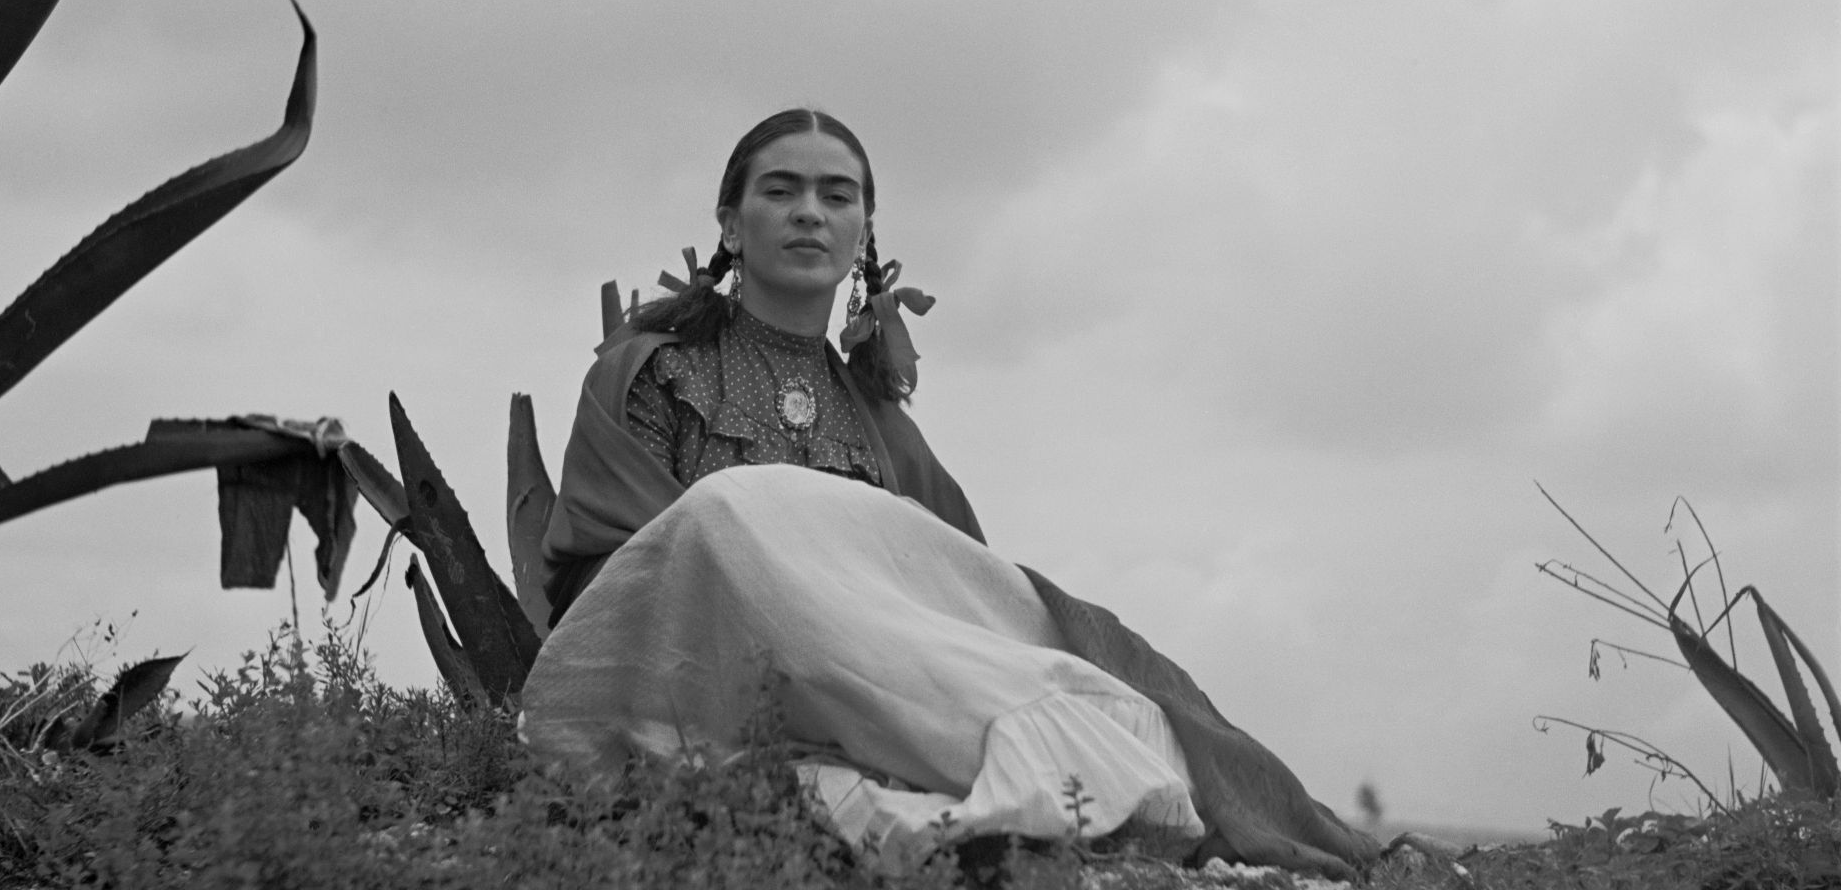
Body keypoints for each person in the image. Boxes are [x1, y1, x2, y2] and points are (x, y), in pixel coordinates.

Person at [521, 109, 1377, 879]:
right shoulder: (653, 373)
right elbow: (618, 581)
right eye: (781, 191)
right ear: (731, 226)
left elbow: (946, 600)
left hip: (865, 693)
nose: (810, 212)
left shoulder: (882, 425)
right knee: (726, 513)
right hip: (697, 681)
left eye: (837, 195)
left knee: (1114, 713)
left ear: (863, 235)